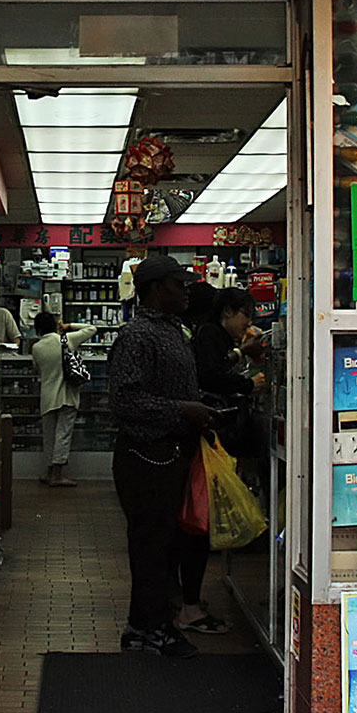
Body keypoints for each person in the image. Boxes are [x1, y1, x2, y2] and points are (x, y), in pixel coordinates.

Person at [107, 254, 216, 659]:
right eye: (178, 283)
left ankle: (151, 624)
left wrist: (203, 406)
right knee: (151, 546)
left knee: (163, 545)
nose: (187, 289)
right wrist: (183, 411)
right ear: (155, 289)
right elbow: (124, 400)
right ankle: (146, 628)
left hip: (170, 453)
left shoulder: (172, 330)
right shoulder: (138, 335)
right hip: (146, 456)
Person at [176, 285, 268, 636]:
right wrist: (247, 385)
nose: (247, 322)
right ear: (227, 311)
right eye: (245, 315)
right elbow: (210, 375)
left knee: (197, 524)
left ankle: (187, 600)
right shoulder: (210, 334)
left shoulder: (210, 335)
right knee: (198, 524)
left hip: (208, 440)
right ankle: (189, 605)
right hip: (208, 441)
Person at [30, 310, 98, 487]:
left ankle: (49, 472)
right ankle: (57, 475)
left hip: (47, 397)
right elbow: (92, 329)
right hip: (67, 395)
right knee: (63, 436)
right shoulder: (66, 340)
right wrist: (69, 326)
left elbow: (37, 368)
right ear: (54, 325)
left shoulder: (36, 348)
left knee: (49, 437)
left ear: (37, 328)